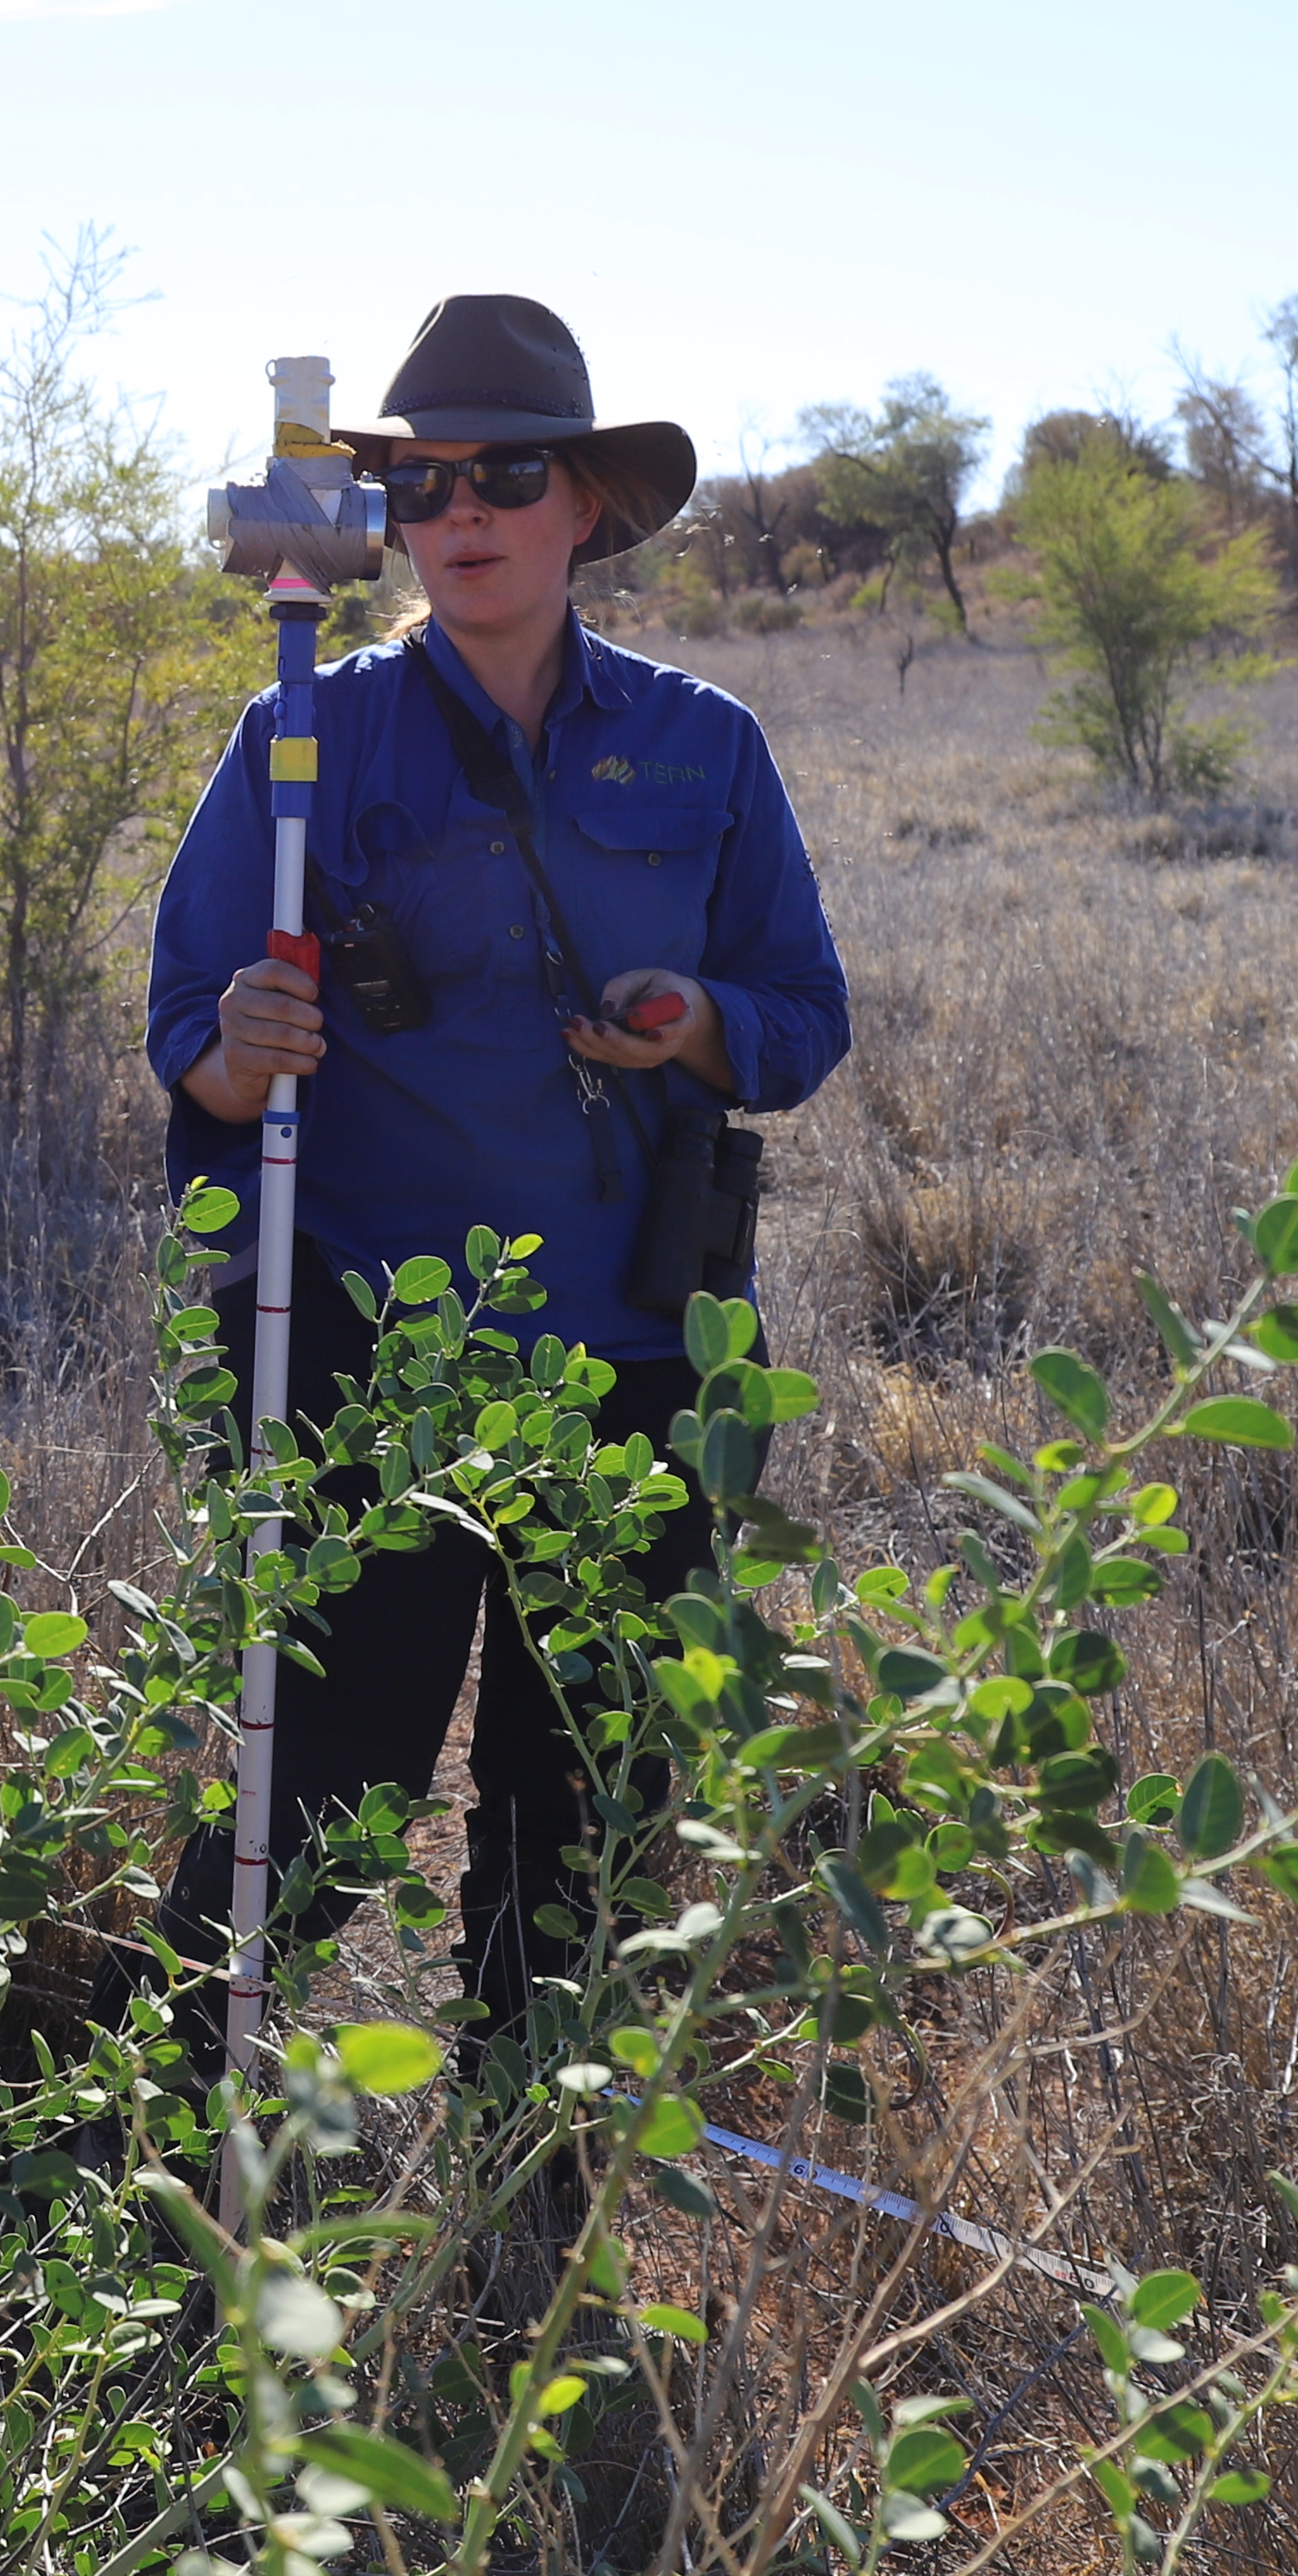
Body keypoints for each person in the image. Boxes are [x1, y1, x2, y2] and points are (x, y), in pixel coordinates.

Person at [142, 289, 851, 2073]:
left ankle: (529, 2214)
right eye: (425, 480)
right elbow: (187, 1034)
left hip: (633, 1355)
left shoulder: (707, 747)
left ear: (585, 505)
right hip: (368, 1356)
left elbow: (802, 1012)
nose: (461, 509)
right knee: (316, 1788)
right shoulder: (304, 736)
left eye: (507, 472)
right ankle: (151, 2158)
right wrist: (247, 1038)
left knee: (586, 1806)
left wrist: (695, 1021)